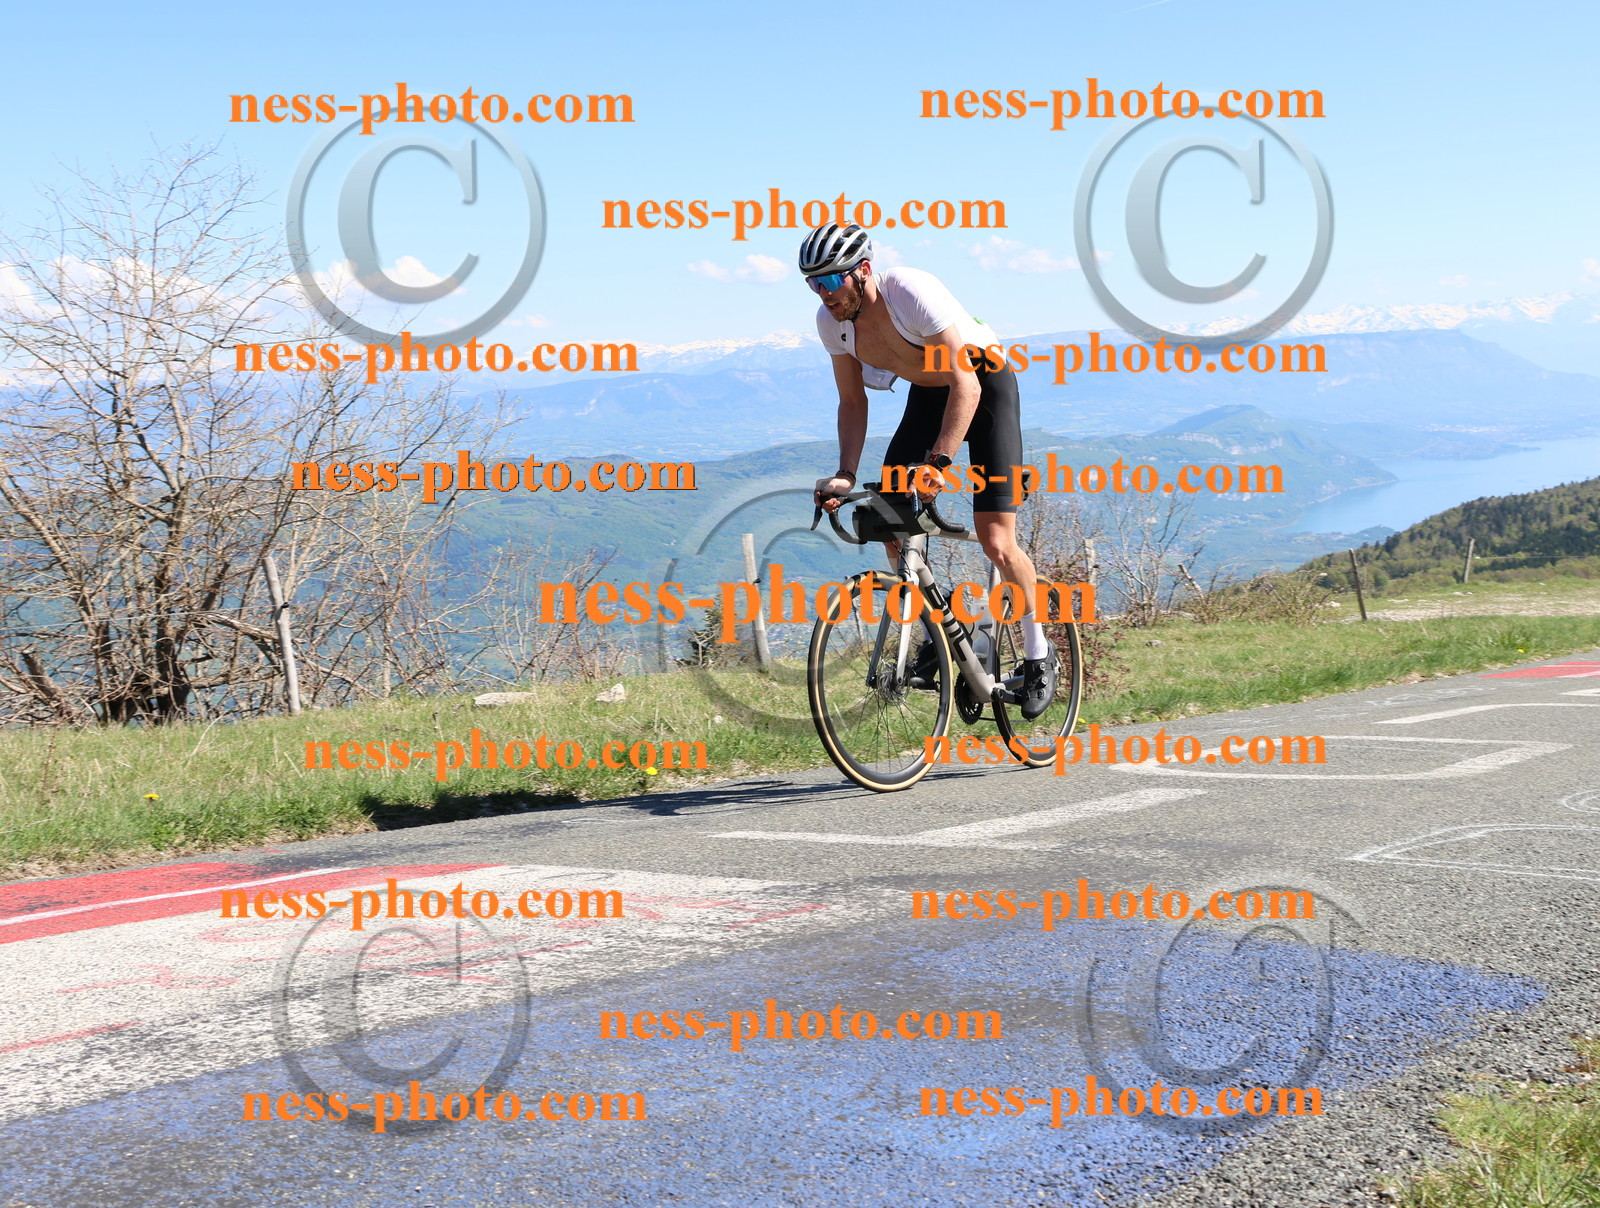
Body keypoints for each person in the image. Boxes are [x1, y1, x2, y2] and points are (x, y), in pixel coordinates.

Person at [803, 221, 1058, 718]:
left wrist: (938, 464)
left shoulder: (910, 291)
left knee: (997, 542)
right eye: (813, 283)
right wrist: (845, 475)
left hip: (983, 385)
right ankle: (943, 637)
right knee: (890, 516)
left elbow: (967, 384)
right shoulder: (830, 322)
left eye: (832, 281)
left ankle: (1038, 654)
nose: (823, 293)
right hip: (928, 394)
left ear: (864, 271)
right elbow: (851, 402)